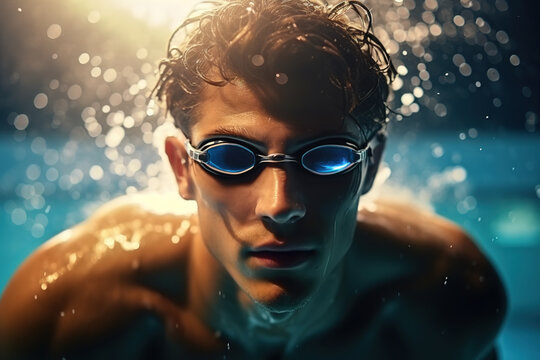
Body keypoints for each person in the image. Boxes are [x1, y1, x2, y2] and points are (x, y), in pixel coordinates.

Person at [0, 0, 506, 359]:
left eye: (325, 158)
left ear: (369, 167)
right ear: (182, 168)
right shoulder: (66, 307)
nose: (280, 204)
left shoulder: (448, 294)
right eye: (231, 157)